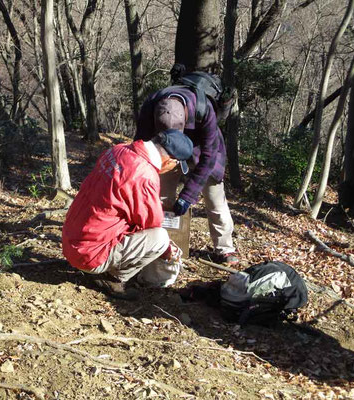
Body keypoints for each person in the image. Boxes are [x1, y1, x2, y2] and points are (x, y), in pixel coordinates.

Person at [62, 129, 193, 300]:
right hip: (90, 255)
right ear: (170, 161)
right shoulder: (145, 175)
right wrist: (167, 250)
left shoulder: (118, 150)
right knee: (160, 238)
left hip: (71, 240)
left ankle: (103, 266)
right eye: (175, 165)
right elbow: (151, 224)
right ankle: (113, 278)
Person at [135, 71, 238, 265]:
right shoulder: (151, 105)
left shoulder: (204, 109)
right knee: (161, 197)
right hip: (164, 151)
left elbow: (209, 158)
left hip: (203, 150)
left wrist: (188, 196)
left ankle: (225, 248)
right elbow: (139, 143)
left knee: (215, 199)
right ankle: (163, 243)